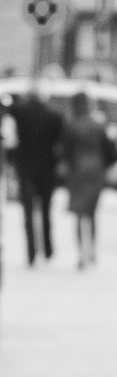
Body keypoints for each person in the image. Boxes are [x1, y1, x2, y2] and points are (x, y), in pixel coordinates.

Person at [10, 89, 63, 266]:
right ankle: (47, 247)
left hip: (26, 168)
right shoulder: (53, 116)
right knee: (46, 209)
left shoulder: (20, 113)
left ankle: (31, 252)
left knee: (28, 211)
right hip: (47, 168)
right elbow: (59, 142)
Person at [62, 92, 107, 269]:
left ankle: (81, 252)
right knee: (92, 213)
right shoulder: (97, 124)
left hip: (78, 170)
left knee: (80, 214)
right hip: (96, 169)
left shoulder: (71, 125)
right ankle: (92, 249)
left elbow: (66, 151)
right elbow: (108, 149)